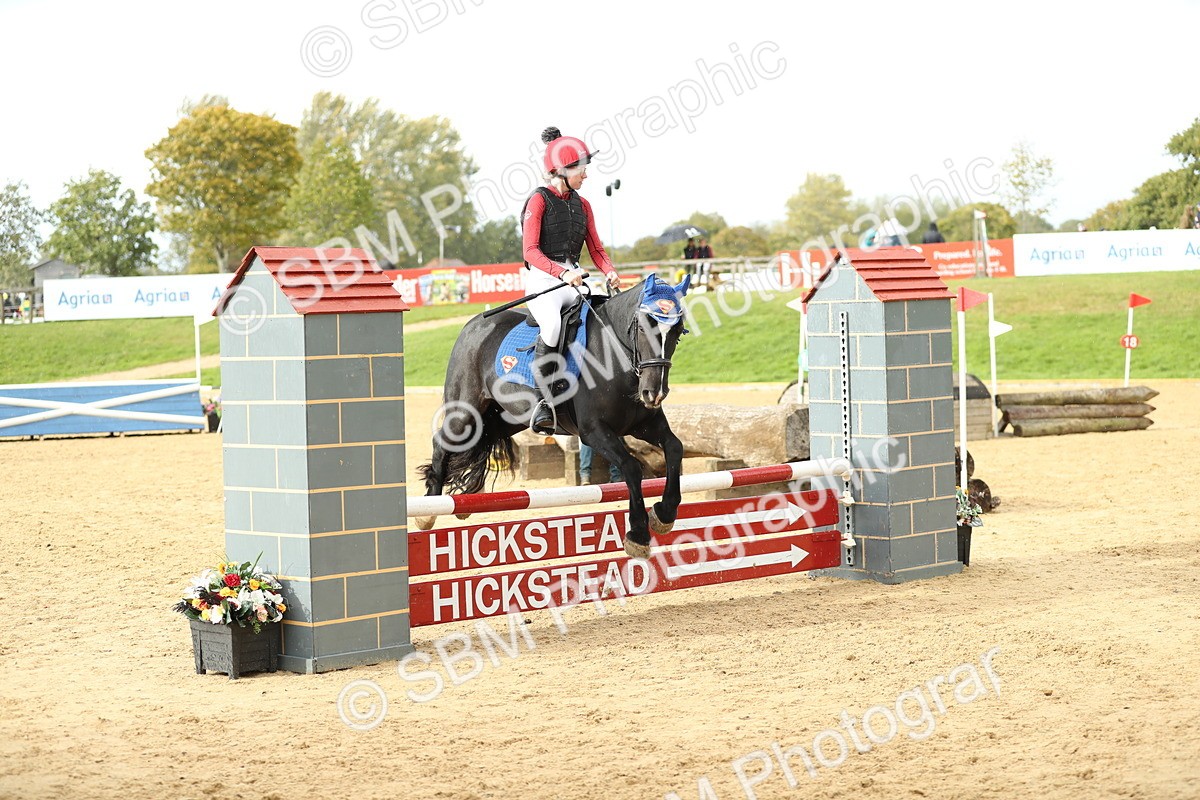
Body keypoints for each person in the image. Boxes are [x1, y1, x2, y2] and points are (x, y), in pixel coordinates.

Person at [521, 125, 622, 435]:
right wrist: (562, 272)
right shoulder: (538, 201)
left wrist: (610, 272)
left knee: (603, 319)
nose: (586, 175)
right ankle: (542, 402)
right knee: (551, 326)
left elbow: (596, 248)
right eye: (581, 168)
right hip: (543, 281)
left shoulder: (584, 205)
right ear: (562, 170)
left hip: (575, 281)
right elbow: (530, 251)